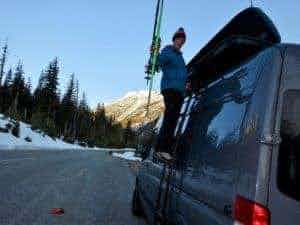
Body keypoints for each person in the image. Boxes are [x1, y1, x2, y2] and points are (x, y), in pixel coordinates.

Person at [150, 27, 191, 162]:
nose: (181, 41)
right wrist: (154, 53)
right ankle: (161, 149)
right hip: (170, 89)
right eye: (179, 38)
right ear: (175, 39)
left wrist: (186, 85)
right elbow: (158, 62)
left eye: (183, 39)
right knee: (170, 117)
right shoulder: (168, 51)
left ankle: (164, 149)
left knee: (173, 118)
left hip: (179, 91)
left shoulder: (180, 57)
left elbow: (181, 74)